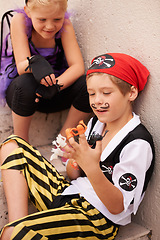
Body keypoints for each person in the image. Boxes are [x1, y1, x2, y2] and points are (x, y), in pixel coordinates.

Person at [0, 53, 155, 240]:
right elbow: (75, 174)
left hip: (96, 217)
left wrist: (91, 166)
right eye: (91, 94)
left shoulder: (136, 143)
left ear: (131, 93)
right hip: (69, 193)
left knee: (12, 234)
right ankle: (20, 222)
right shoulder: (95, 124)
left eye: (106, 93)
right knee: (13, 145)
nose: (97, 100)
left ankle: (19, 231)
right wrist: (74, 161)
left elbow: (117, 206)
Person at [0, 0, 92, 143]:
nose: (50, 26)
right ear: (28, 11)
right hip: (25, 95)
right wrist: (35, 62)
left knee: (90, 83)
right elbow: (21, 66)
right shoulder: (20, 20)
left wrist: (57, 85)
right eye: (42, 19)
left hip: (54, 92)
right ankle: (22, 143)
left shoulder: (66, 24)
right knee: (26, 81)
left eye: (57, 19)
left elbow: (78, 66)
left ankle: (63, 140)